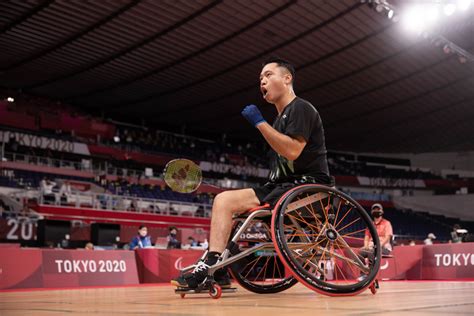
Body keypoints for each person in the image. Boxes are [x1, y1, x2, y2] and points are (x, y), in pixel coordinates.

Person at [173, 58, 334, 289]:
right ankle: (216, 267)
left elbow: (292, 151)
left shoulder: (301, 108)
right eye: (260, 78)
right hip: (281, 189)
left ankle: (212, 266)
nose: (263, 81)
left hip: (308, 188)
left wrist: (259, 122)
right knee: (224, 200)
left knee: (230, 202)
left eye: (268, 75)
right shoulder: (278, 121)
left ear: (287, 78)